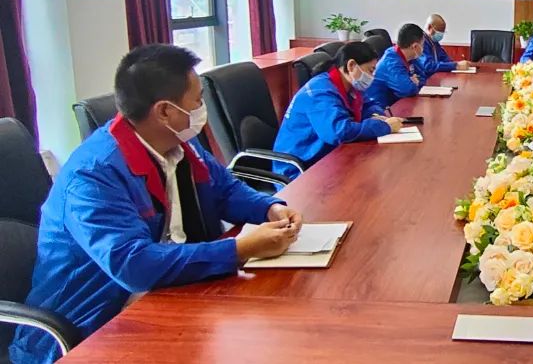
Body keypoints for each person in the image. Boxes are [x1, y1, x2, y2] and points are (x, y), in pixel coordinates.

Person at [10, 45, 303, 364]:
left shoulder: (179, 143)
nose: (201, 108)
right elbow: (133, 265)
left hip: (168, 297)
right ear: (165, 111)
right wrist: (239, 249)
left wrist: (269, 208)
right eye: (197, 100)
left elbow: (224, 190)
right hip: (88, 330)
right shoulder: (93, 176)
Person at [273, 42, 404, 178]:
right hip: (300, 170)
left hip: (328, 157)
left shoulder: (350, 84)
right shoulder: (319, 92)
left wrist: (377, 115)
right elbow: (338, 132)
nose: (372, 76)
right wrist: (383, 126)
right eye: (370, 70)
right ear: (351, 65)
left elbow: (368, 104)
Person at [364, 23, 428, 110]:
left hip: (399, 103)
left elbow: (423, 76)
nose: (423, 48)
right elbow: (407, 90)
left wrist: (412, 81)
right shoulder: (391, 61)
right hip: (382, 109)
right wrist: (412, 81)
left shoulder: (411, 57)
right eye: (422, 44)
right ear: (415, 46)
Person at [417, 13, 470, 77]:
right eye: (439, 32)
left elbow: (445, 59)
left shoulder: (434, 43)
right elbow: (428, 66)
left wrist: (458, 64)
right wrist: (456, 66)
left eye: (442, 32)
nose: (441, 35)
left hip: (436, 78)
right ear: (429, 27)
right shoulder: (421, 42)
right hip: (424, 79)